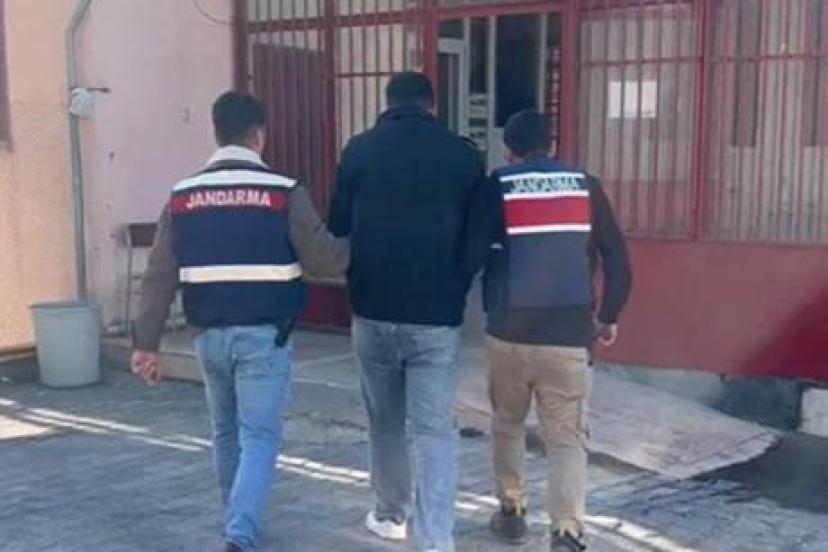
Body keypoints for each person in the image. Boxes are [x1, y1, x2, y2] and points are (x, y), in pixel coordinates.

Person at [131, 91, 348, 552]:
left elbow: (159, 274)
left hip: (208, 337)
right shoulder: (283, 192)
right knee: (259, 436)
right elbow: (326, 260)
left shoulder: (183, 197)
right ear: (259, 136)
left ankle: (235, 522)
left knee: (225, 432)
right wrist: (365, 241)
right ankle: (240, 535)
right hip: (264, 338)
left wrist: (146, 343)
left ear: (217, 133)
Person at [327, 72, 487, 552]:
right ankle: (436, 539)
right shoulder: (462, 156)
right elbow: (477, 237)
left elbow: (337, 227)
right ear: (432, 105)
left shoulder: (359, 151)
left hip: (373, 309)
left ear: (387, 103)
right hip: (436, 314)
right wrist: (457, 284)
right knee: (434, 431)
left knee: (385, 423)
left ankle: (391, 513)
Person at [481, 110, 632, 551]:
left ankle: (512, 511)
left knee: (507, 424)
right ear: (552, 144)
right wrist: (608, 317)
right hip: (569, 336)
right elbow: (618, 261)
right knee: (567, 439)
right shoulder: (586, 186)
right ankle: (566, 530)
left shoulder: (499, 185)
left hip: (508, 333)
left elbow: (471, 251)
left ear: (509, 149)